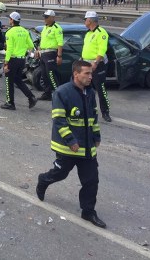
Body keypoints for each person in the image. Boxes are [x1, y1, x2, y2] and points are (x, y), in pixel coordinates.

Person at [35, 60, 106, 229]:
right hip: (68, 147)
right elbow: (59, 121)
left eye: (91, 73)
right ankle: (43, 180)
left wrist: (96, 135)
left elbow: (93, 118)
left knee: (92, 180)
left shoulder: (90, 92)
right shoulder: (62, 92)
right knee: (60, 174)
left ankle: (88, 211)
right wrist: (71, 141)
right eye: (87, 73)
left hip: (87, 146)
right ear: (76, 74)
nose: (91, 77)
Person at [1, 11, 37, 110]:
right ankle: (31, 97)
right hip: (21, 60)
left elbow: (10, 49)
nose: (9, 20)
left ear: (12, 20)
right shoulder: (24, 31)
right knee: (18, 80)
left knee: (9, 81)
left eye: (10, 19)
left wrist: (6, 63)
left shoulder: (10, 32)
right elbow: (30, 45)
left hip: (12, 59)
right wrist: (22, 48)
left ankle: (10, 103)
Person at [82, 10, 111, 122]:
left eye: (85, 19)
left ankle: (105, 112)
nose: (84, 21)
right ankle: (88, 109)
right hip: (86, 63)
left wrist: (96, 63)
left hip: (97, 65)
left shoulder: (101, 32)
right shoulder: (88, 33)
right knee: (86, 88)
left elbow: (102, 49)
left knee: (101, 89)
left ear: (90, 20)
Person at [36, 9, 63, 101]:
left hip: (51, 53)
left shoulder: (57, 28)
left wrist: (59, 56)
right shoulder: (45, 27)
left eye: (47, 17)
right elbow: (42, 40)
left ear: (52, 17)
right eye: (44, 17)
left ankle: (58, 95)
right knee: (44, 75)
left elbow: (60, 43)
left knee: (51, 75)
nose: (45, 19)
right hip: (43, 53)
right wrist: (38, 50)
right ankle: (47, 93)